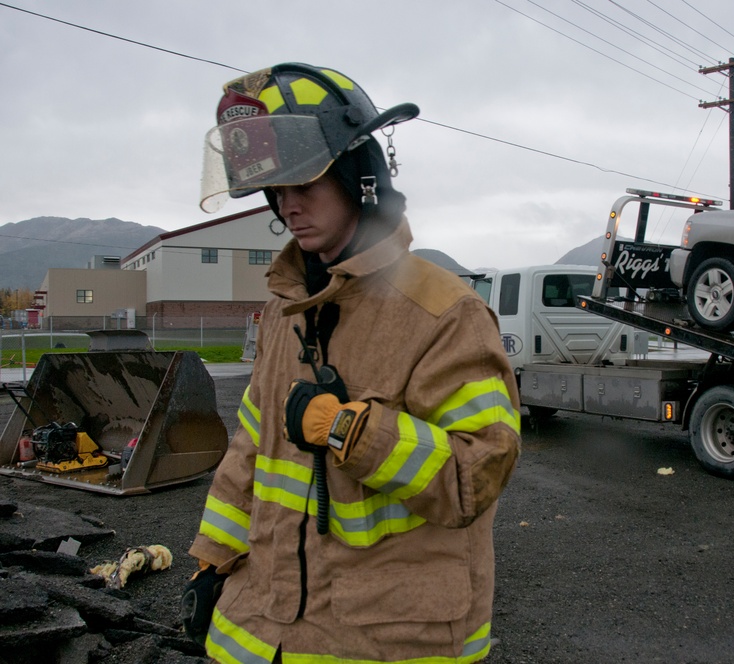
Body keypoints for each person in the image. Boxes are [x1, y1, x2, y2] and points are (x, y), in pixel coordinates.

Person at [182, 63, 522, 663]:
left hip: (387, 638)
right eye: (277, 191)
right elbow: (250, 450)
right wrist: (213, 557)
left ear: (358, 178)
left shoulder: (444, 313)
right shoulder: (286, 311)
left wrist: (352, 431)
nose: (289, 207)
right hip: (265, 627)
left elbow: (477, 475)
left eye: (305, 185)